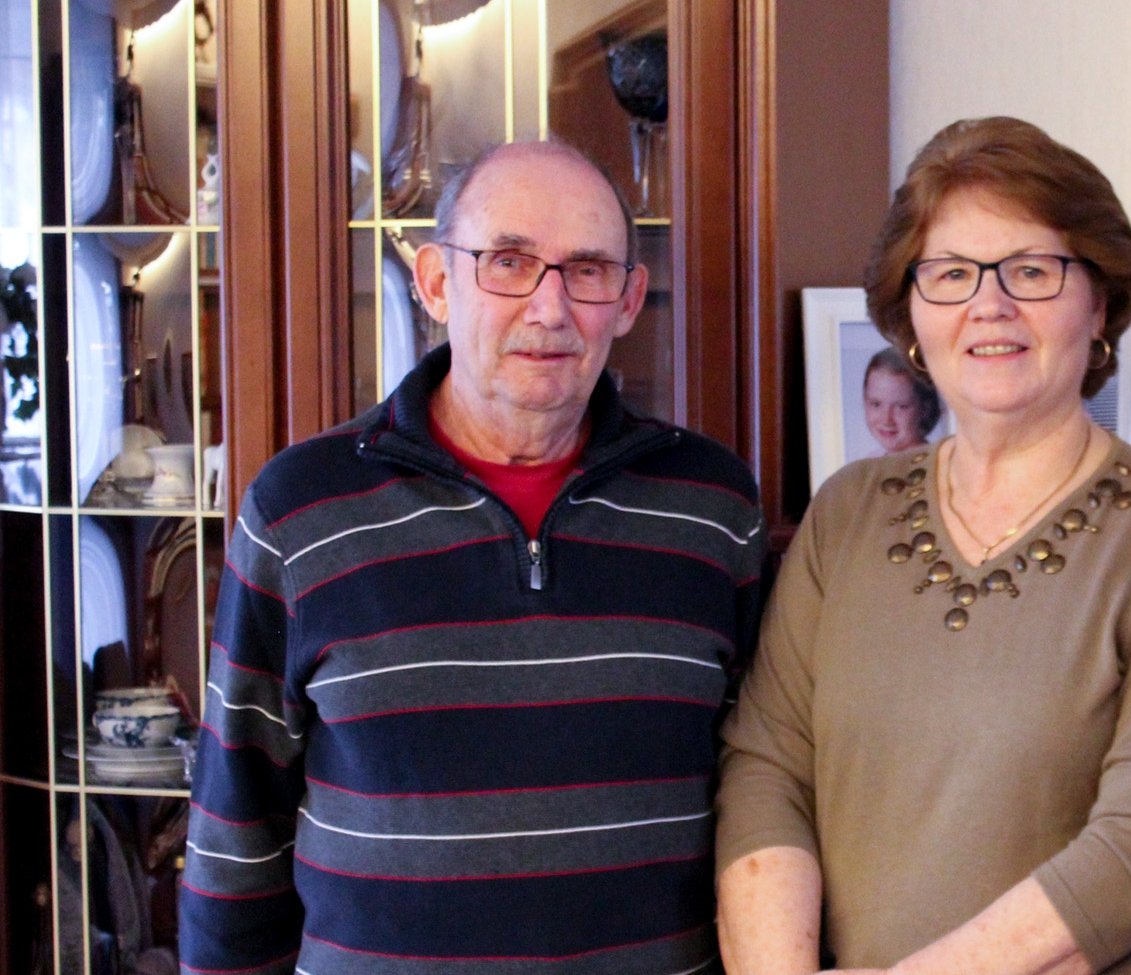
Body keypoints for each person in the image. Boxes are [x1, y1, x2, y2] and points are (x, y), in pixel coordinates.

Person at [180, 141, 764, 975]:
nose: (550, 308)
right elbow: (236, 825)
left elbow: (763, 787)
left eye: (588, 271)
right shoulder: (301, 509)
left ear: (630, 299)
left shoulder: (712, 508)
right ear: (435, 282)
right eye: (509, 262)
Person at [716, 116, 1131, 975]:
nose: (989, 304)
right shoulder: (845, 514)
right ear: (909, 314)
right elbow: (766, 770)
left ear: (1100, 303)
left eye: (1032, 270)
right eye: (950, 274)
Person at [861, 346, 943, 456]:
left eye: (901, 406)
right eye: (876, 404)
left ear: (925, 408)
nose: (886, 419)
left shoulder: (935, 462)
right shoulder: (871, 462)